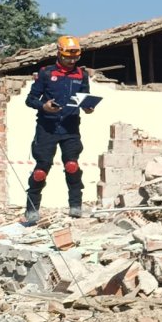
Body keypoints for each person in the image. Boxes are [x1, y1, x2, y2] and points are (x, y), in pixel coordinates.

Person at [23, 36, 96, 222]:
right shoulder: (46, 73)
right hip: (47, 128)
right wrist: (43, 106)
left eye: (75, 58)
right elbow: (30, 99)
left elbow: (85, 99)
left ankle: (75, 206)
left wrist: (88, 107)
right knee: (41, 170)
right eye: (68, 57)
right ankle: (31, 209)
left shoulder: (82, 75)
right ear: (59, 53)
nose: (72, 61)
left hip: (70, 127)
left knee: (72, 166)